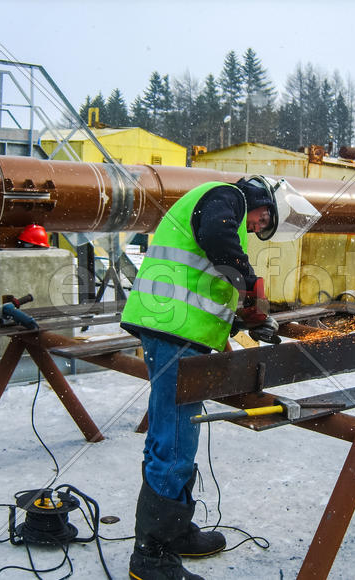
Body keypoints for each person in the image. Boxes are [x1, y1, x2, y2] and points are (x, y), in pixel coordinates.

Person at [120, 176, 281, 580]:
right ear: (259, 200)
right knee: (172, 440)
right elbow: (217, 240)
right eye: (264, 219)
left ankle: (173, 533)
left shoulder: (223, 210)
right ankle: (151, 555)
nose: (258, 228)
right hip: (172, 331)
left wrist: (243, 320)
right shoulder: (226, 198)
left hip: (179, 331)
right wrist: (248, 285)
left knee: (180, 435)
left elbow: (203, 281)